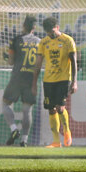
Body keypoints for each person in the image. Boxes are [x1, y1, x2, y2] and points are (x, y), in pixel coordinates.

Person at [31, 17, 77, 148]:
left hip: (63, 79)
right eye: (47, 32)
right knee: (51, 110)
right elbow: (38, 64)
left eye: (51, 31)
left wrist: (74, 82)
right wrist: (34, 84)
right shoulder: (43, 43)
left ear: (57, 27)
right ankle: (56, 141)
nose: (50, 34)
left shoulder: (68, 40)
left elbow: (73, 62)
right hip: (48, 80)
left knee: (60, 107)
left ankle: (67, 130)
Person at [2, 15, 40, 147]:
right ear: (34, 28)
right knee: (27, 110)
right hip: (31, 78)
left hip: (18, 76)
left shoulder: (16, 40)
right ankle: (24, 139)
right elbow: (39, 63)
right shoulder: (39, 42)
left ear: (23, 26)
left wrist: (7, 58)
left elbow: (11, 62)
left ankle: (14, 129)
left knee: (6, 103)